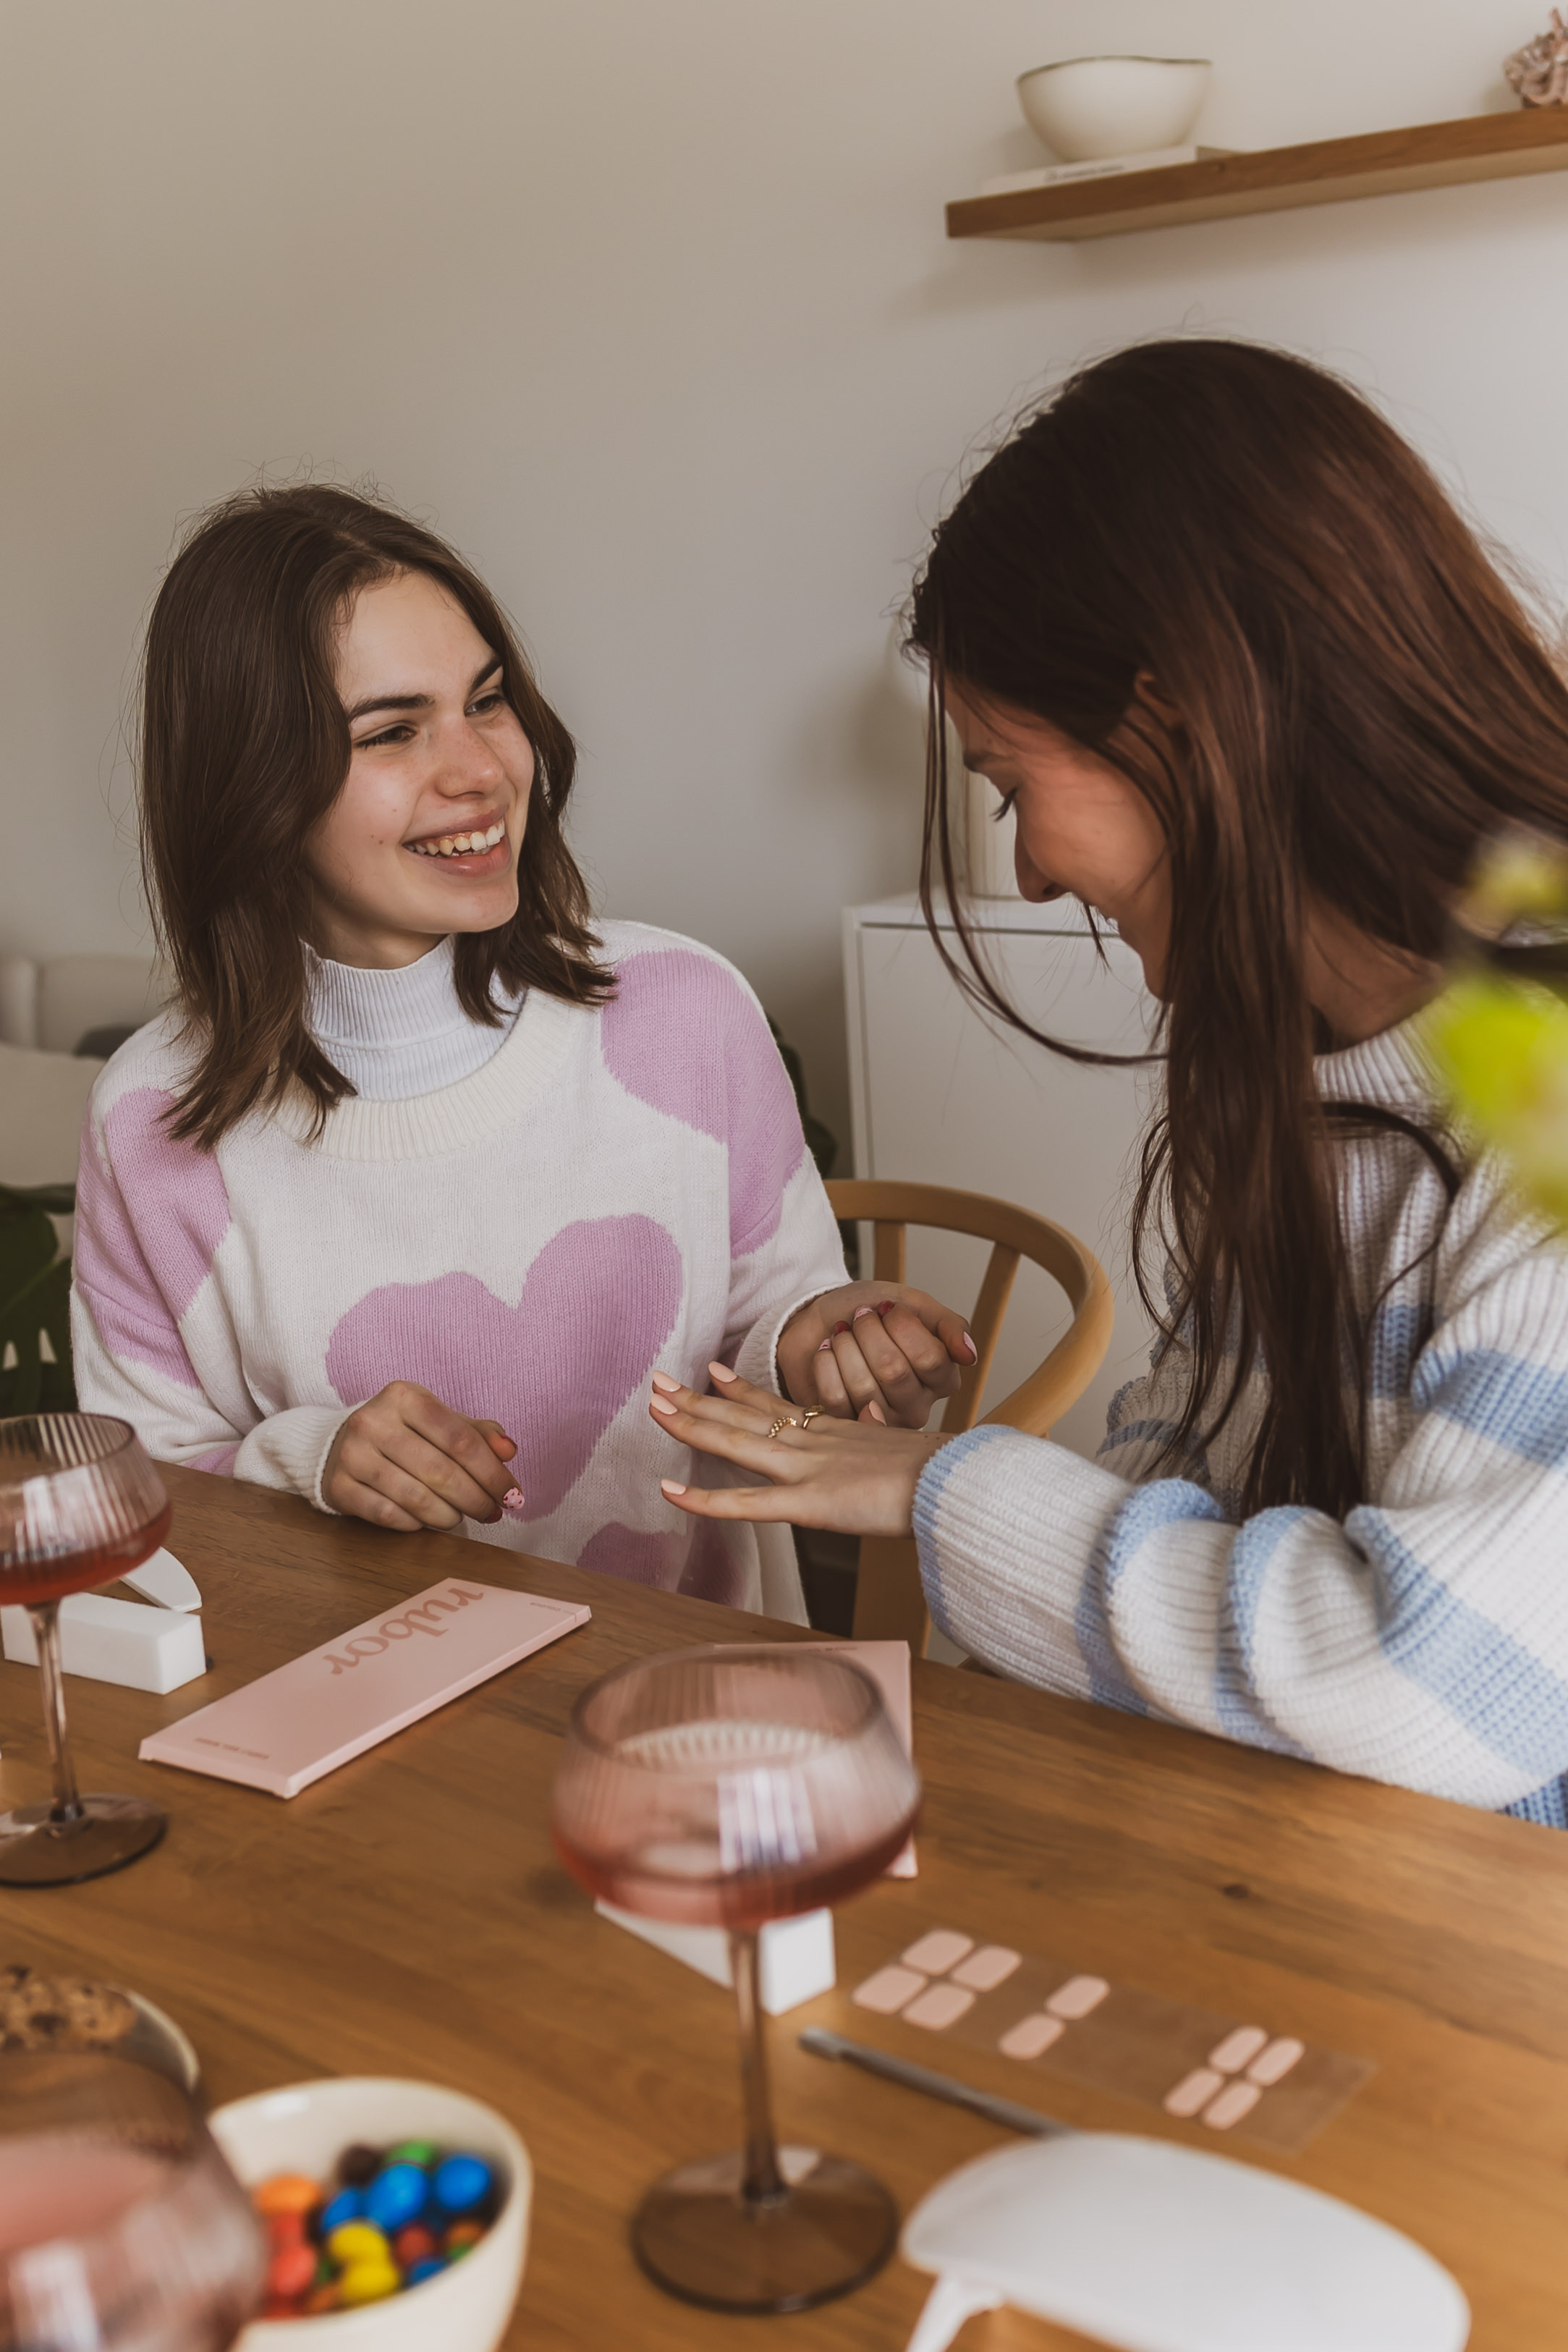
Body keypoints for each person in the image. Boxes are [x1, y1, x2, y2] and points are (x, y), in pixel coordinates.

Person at [648, 337, 1568, 1816]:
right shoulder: (1298, 1060)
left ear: (1179, 711)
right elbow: (1190, 1442)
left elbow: (1436, 1678)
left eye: (1014, 783)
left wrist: (939, 1494)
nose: (1019, 870)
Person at [72, 484, 973, 1618]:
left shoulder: (684, 1012)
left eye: (487, 701)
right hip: (359, 1727)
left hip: (700, 1704)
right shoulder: (152, 1119)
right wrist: (317, 1458)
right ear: (250, 785)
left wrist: (826, 1341)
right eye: (394, 731)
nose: (484, 769)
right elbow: (147, 1501)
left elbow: (775, 1324)